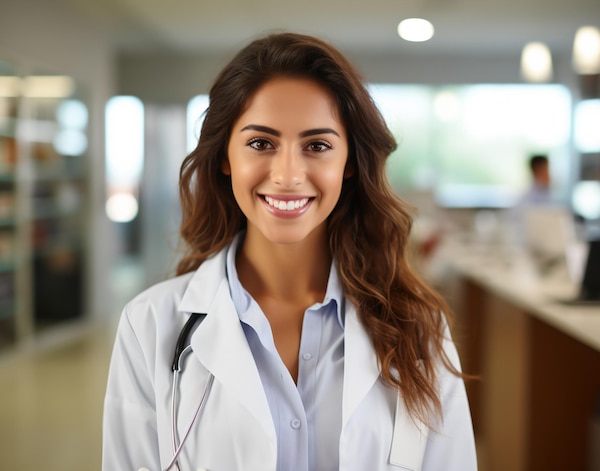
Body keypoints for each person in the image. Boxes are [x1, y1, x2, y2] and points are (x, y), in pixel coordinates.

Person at [102, 32, 477, 471]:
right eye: (261, 143)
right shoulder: (148, 325)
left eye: (317, 146)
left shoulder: (419, 328)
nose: (287, 175)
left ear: (350, 162)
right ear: (225, 155)